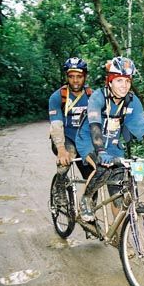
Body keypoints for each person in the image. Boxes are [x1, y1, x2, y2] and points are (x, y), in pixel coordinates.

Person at [75, 56, 144, 222]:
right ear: (110, 81)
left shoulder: (132, 102)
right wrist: (100, 151)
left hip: (113, 145)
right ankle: (86, 199)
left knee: (117, 188)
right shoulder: (98, 97)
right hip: (89, 140)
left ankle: (120, 236)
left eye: (127, 81)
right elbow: (95, 126)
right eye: (119, 80)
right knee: (103, 167)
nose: (124, 85)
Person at [48, 57, 94, 206]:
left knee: (93, 177)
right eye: (71, 76)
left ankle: (89, 213)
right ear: (67, 77)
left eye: (79, 76)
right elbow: (56, 125)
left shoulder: (91, 96)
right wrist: (61, 149)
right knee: (68, 156)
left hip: (85, 141)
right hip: (65, 138)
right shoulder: (58, 97)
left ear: (85, 77)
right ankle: (59, 187)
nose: (75, 80)